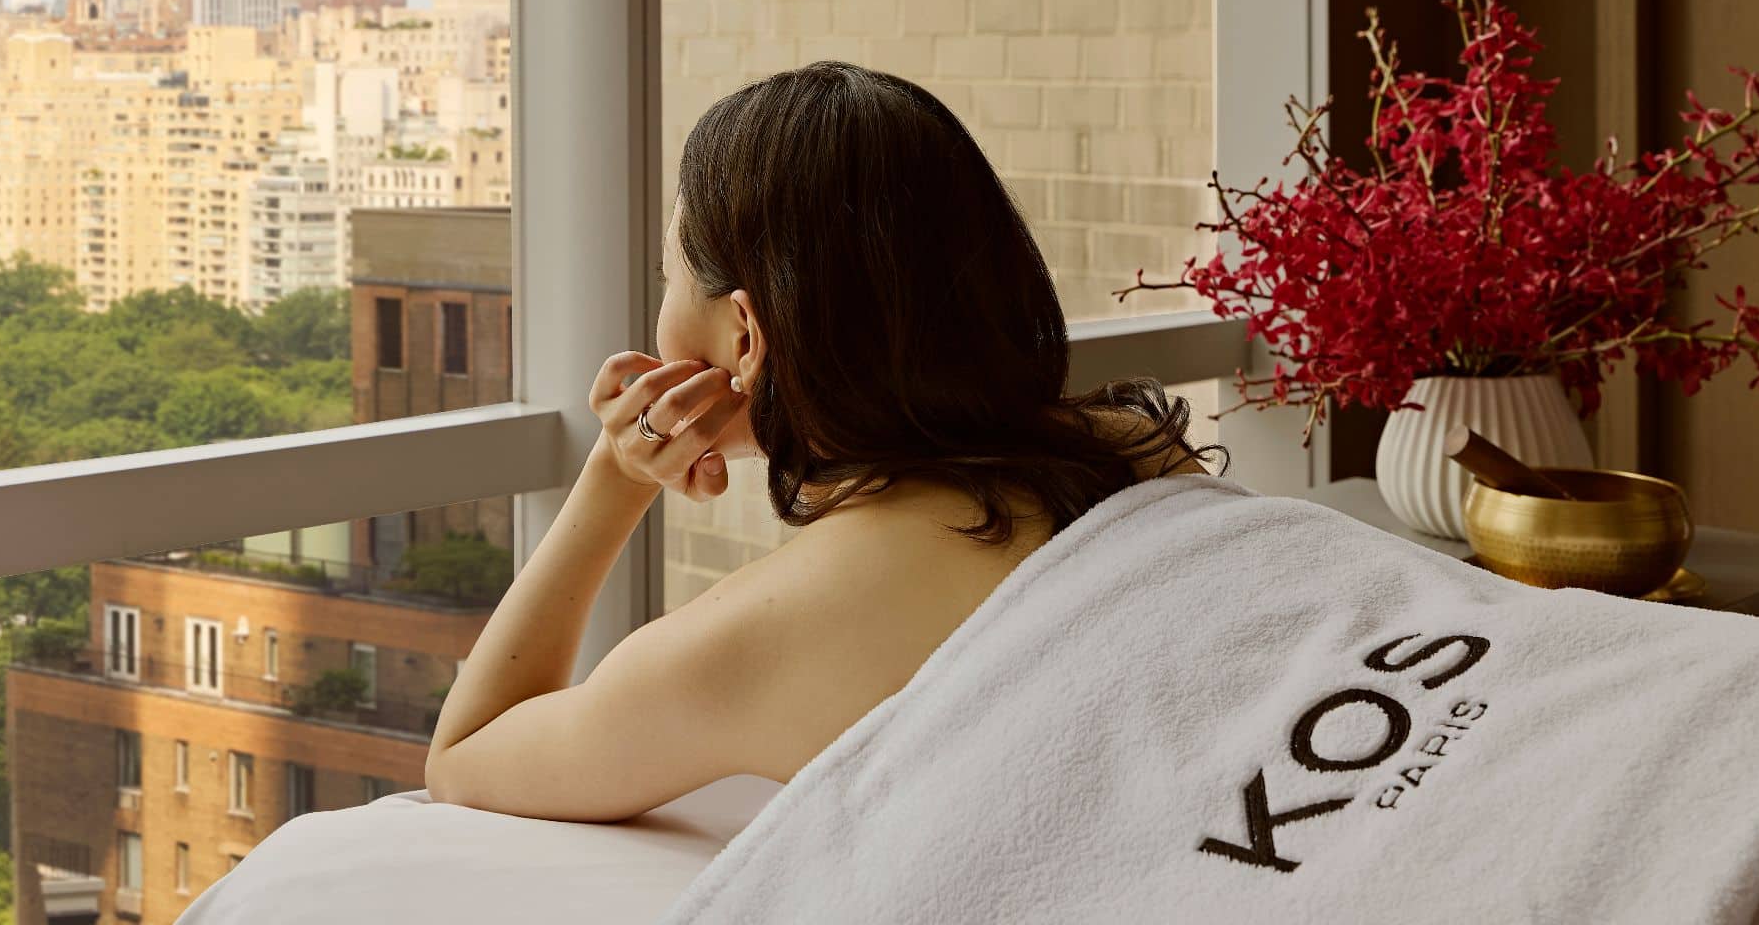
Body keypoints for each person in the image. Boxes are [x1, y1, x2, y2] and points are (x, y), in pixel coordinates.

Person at [425, 61, 1218, 821]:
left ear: (744, 336)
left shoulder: (757, 641)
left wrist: (617, 475)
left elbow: (464, 755)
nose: (660, 308)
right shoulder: (1136, 445)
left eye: (666, 276)